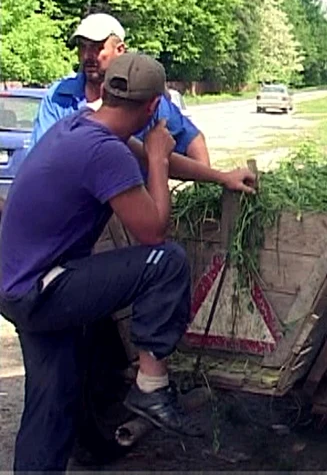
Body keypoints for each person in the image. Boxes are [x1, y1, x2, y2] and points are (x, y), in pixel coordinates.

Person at [0, 52, 256, 473]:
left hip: (18, 284)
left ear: (106, 93)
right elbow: (153, 232)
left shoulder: (80, 125)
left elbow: (156, 158)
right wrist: (155, 159)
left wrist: (221, 176)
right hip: (43, 288)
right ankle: (151, 385)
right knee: (166, 261)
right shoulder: (105, 153)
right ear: (155, 107)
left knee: (53, 401)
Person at [29, 12, 211, 166]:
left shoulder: (143, 96)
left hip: (136, 205)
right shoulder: (58, 96)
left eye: (97, 48)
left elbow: (193, 141)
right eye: (82, 47)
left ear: (120, 50)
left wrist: (204, 192)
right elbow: (42, 158)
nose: (87, 56)